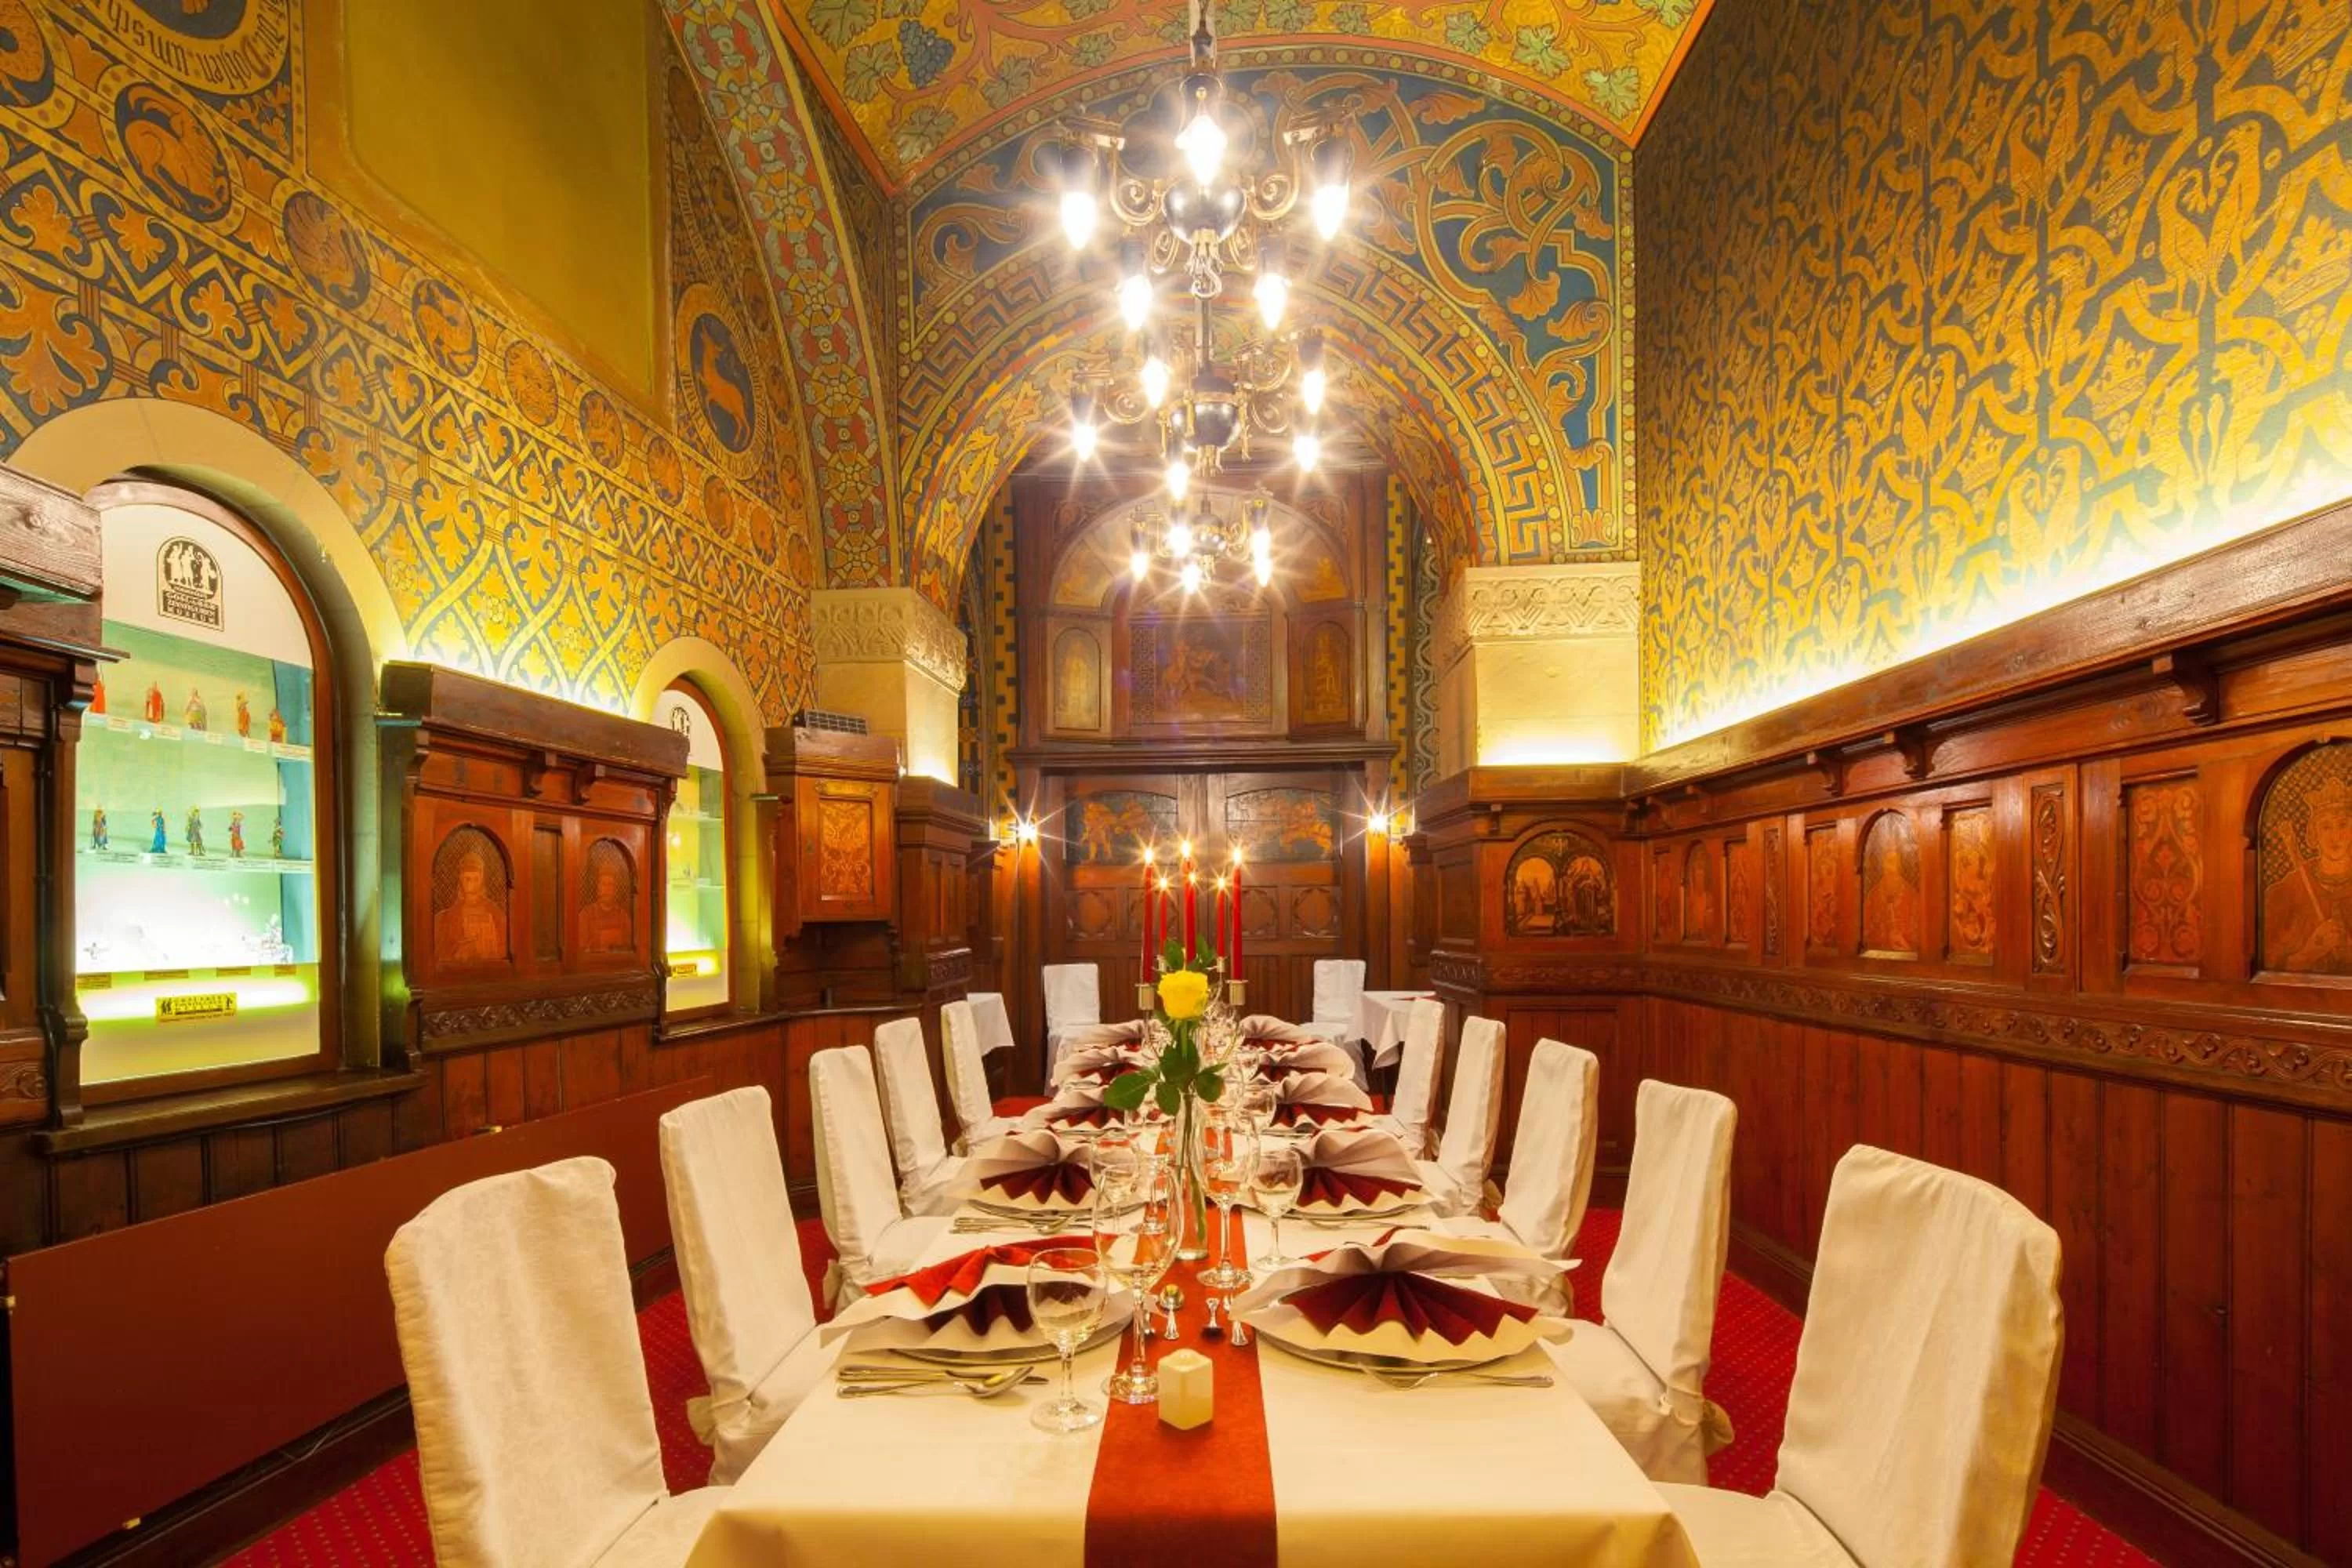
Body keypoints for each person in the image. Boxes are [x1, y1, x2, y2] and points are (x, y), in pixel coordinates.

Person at [2265, 776, 2352, 974]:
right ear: (2314, 834)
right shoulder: (2290, 889)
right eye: (2326, 827)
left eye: (2343, 824)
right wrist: (2310, 952)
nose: (2335, 837)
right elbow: (2270, 965)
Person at [435, 846, 506, 963]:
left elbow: (505, 945)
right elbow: (442, 952)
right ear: (461, 879)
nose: (471, 884)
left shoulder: (494, 911)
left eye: (475, 879)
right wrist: (460, 950)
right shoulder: (449, 916)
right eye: (467, 879)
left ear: (482, 880)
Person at [577, 860, 633, 953]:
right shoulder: (586, 915)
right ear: (598, 889)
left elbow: (628, 948)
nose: (607, 889)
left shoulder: (623, 917)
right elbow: (581, 949)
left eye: (610, 885)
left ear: (615, 890)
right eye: (603, 884)